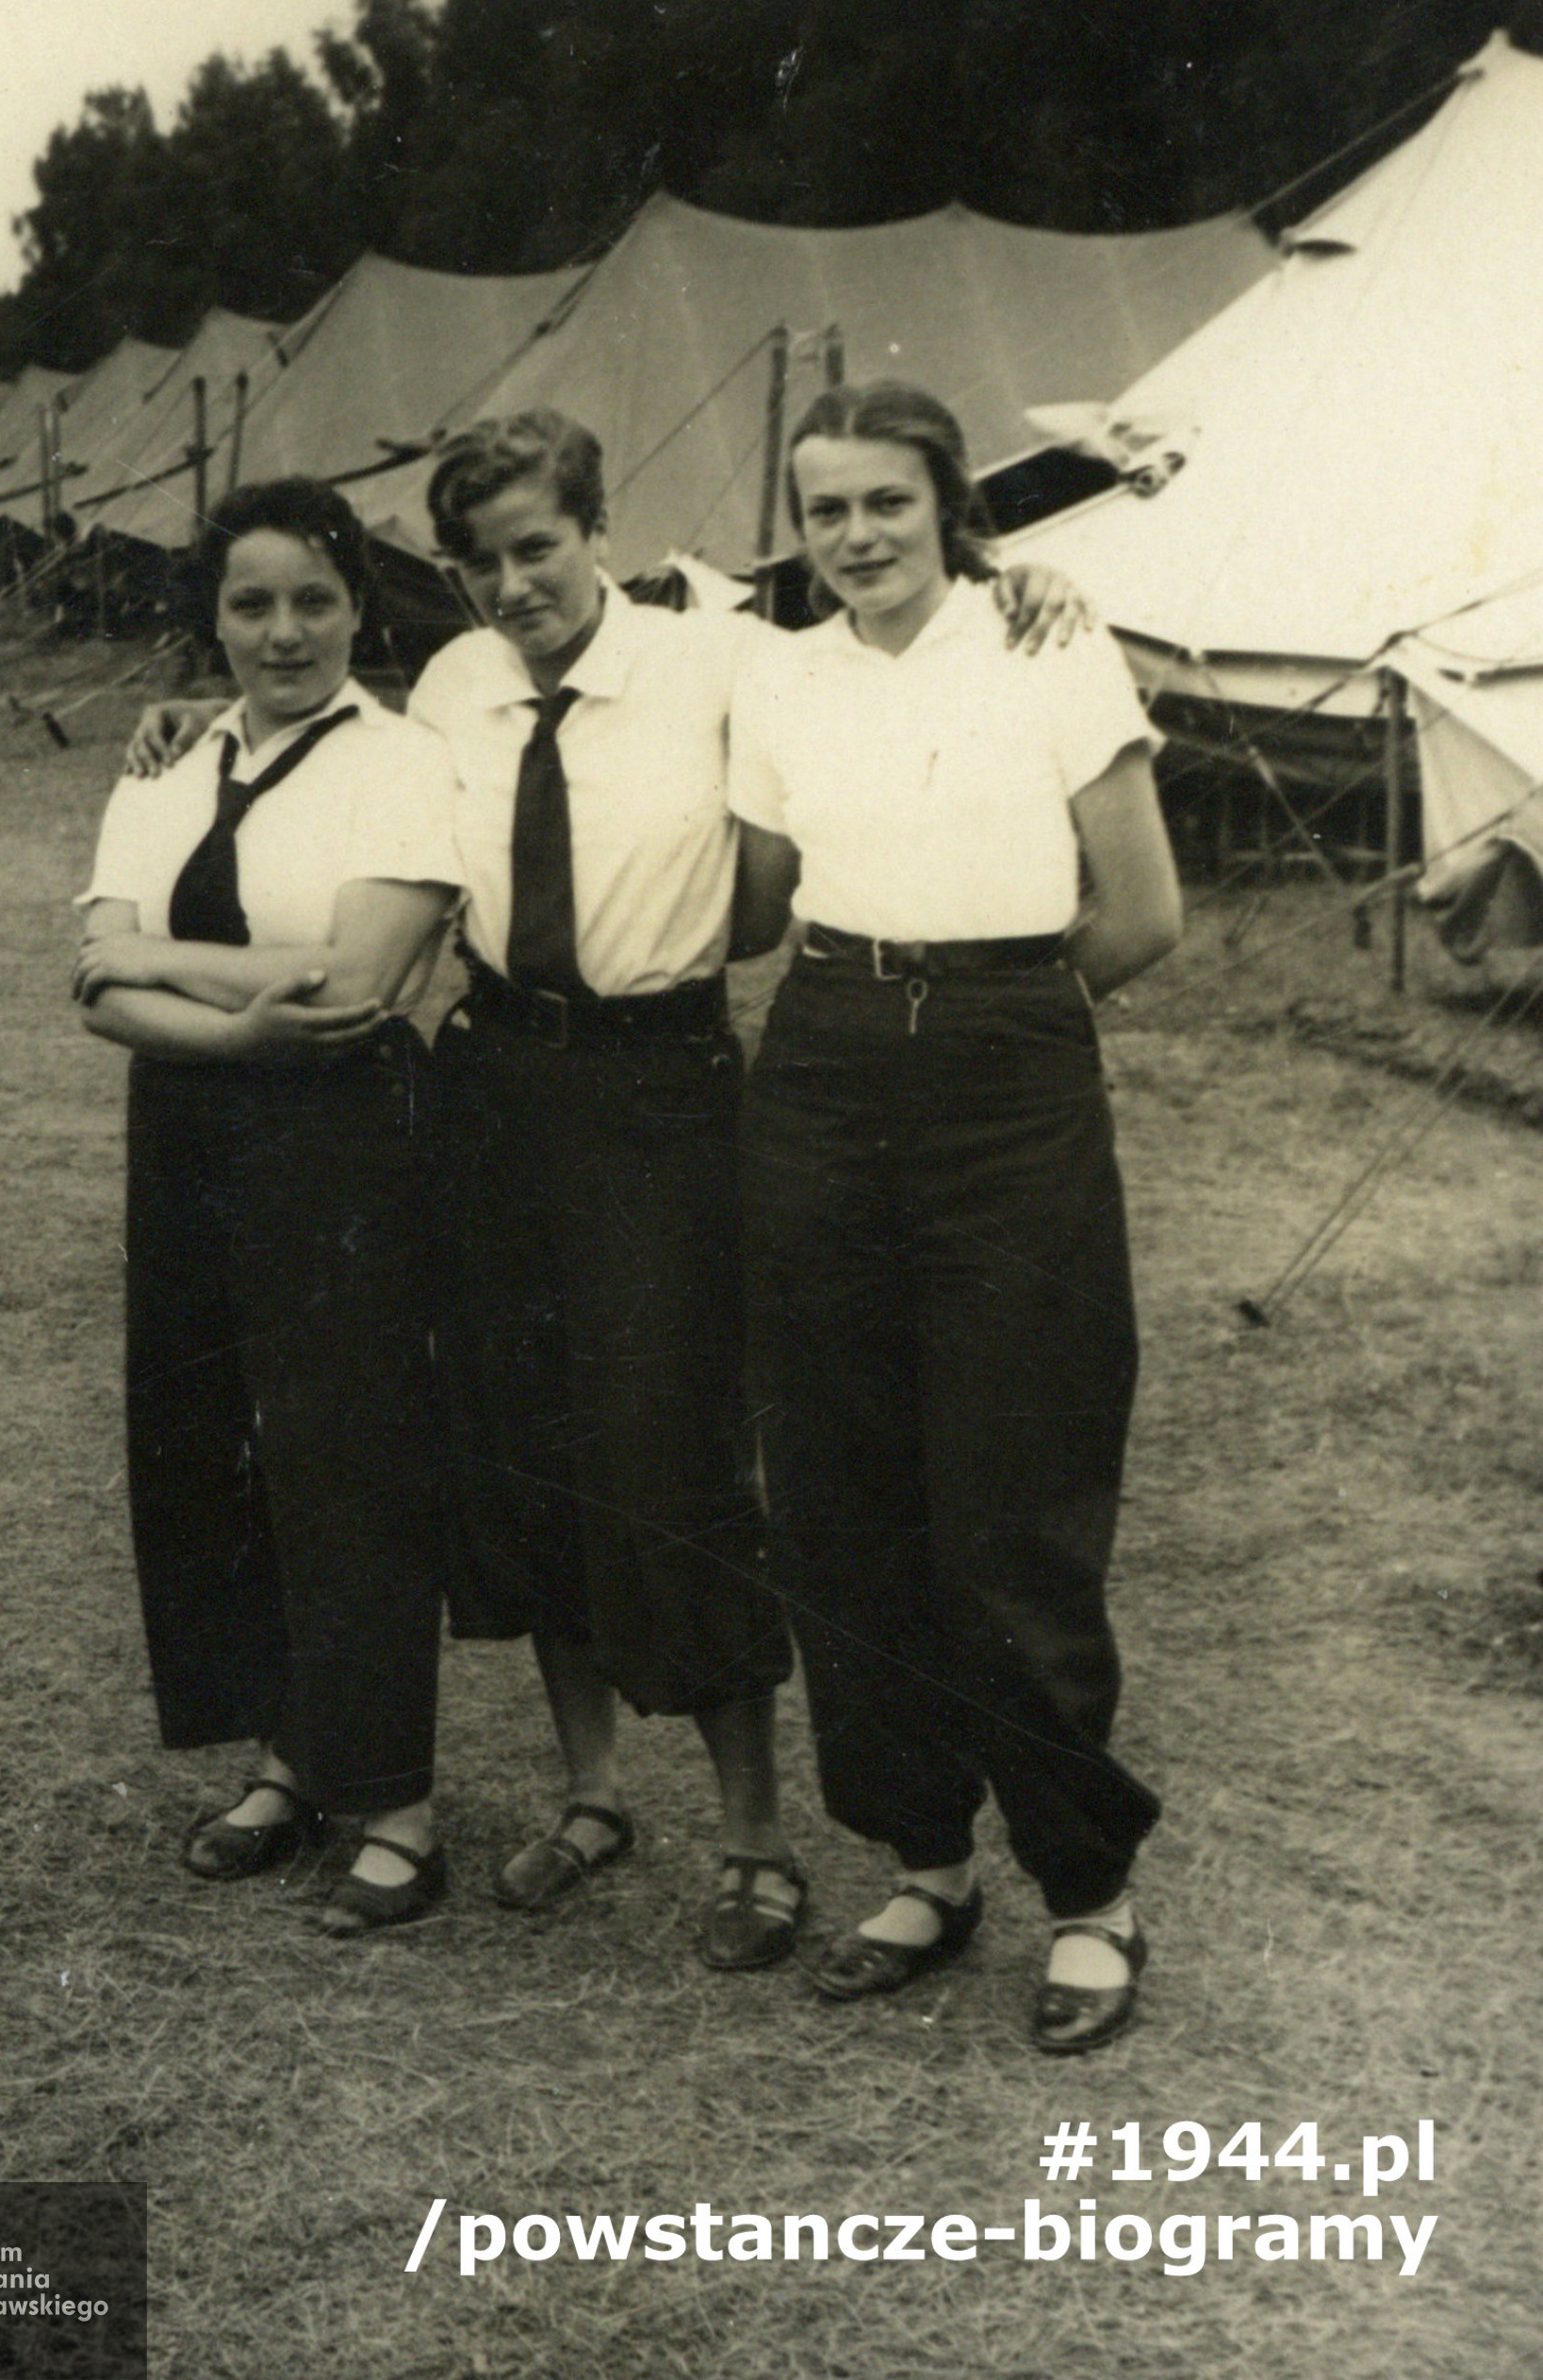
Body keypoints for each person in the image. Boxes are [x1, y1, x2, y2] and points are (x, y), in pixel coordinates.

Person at [123, 412, 1082, 1973]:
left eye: (538, 548)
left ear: (598, 532)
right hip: (495, 1082)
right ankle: (591, 1796)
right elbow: (322, 729)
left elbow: (879, 656)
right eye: (479, 563)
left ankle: (757, 1841)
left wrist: (1027, 581)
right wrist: (188, 715)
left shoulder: (725, 660)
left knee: (672, 1453)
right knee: (521, 1445)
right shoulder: (454, 684)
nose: (514, 586)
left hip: (662, 1092)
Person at [729, 381, 1181, 2052]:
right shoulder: (777, 673)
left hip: (1009, 1076)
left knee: (1013, 1493)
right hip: (823, 1065)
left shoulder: (1051, 641)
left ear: (949, 506)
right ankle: (923, 1863)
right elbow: (751, 909)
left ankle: (1088, 1892)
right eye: (825, 509)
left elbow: (1142, 913)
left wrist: (991, 1025)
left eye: (887, 503)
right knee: (838, 1488)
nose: (855, 535)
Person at [72, 478, 460, 1938]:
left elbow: (355, 985)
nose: (283, 631)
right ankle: (287, 1760)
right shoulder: (167, 762)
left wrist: (156, 961)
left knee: (346, 1444)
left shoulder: (405, 762)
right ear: (215, 618)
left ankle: (397, 1807)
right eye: (251, 603)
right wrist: (237, 1017)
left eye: (313, 599)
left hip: (341, 1131)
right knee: (206, 1433)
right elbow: (95, 986)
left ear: (359, 607)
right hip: (186, 1121)